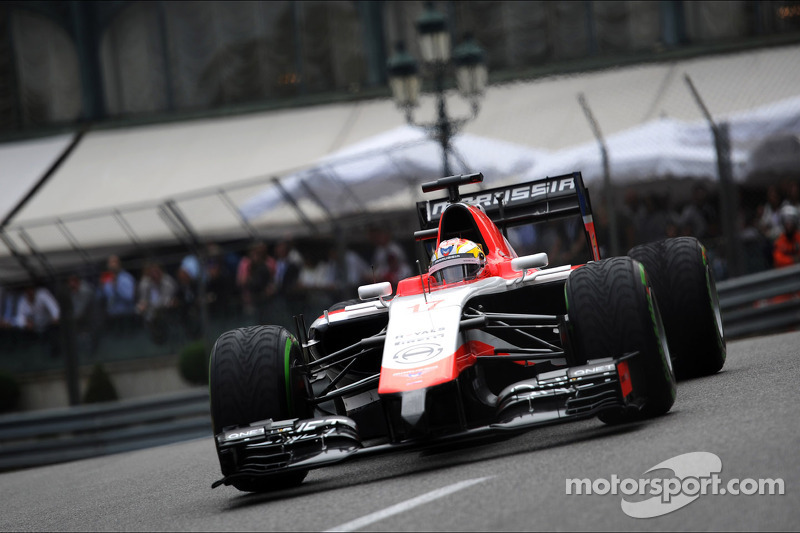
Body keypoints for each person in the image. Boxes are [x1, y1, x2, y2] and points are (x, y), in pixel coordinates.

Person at [136, 262, 178, 344]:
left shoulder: (168, 282)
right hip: (150, 313)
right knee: (138, 312)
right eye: (152, 272)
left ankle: (166, 339)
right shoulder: (145, 284)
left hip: (166, 311)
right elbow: (143, 300)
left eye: (156, 271)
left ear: (161, 271)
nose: (154, 275)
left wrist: (153, 306)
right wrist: (142, 306)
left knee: (159, 313)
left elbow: (167, 300)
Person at [100, 255, 137, 333]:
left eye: (114, 262)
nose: (112, 265)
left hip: (126, 316)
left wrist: (116, 287)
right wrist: (101, 287)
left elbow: (129, 297)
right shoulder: (107, 279)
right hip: (112, 317)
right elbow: (103, 298)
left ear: (119, 264)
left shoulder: (126, 278)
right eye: (110, 263)